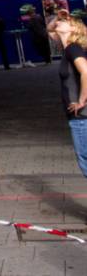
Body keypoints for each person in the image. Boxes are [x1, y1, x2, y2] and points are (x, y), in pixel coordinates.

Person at [51, 15, 87, 179]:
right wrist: (60, 16)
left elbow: (86, 72)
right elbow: (50, 29)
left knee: (85, 160)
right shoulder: (67, 48)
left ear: (73, 29)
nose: (59, 21)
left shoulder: (73, 48)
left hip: (82, 116)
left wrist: (81, 100)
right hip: (80, 117)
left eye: (65, 21)